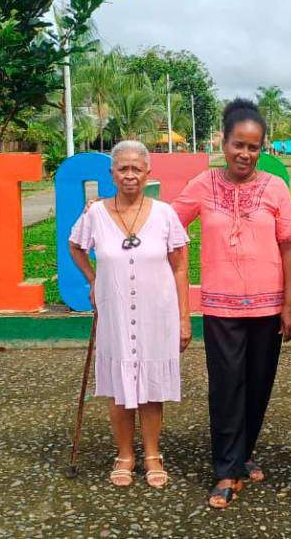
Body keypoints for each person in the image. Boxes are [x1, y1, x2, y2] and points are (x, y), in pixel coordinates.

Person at [172, 99, 291, 509]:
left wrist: (289, 304)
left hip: (268, 306)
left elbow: (289, 246)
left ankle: (243, 452)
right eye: (238, 144)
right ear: (223, 143)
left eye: (254, 146)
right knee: (226, 387)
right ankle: (226, 470)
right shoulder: (202, 185)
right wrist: (116, 211)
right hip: (221, 307)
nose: (245, 154)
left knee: (259, 386)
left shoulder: (275, 187)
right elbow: (168, 223)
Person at [69, 140, 191, 488]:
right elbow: (75, 245)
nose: (130, 175)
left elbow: (181, 268)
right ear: (112, 173)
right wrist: (93, 280)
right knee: (119, 386)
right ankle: (124, 454)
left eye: (137, 168)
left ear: (148, 172)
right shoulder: (95, 214)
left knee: (151, 386)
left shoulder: (165, 213)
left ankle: (153, 454)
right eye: (123, 168)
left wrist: (184, 318)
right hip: (115, 312)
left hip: (158, 313)